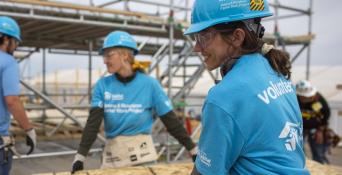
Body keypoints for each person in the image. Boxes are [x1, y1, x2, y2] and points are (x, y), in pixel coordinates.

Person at [183, 0, 309, 174]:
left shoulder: (224, 96)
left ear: (237, 37)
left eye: (204, 37)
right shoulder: (276, 73)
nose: (197, 47)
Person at [71, 31, 197, 173]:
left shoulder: (149, 84)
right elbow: (93, 124)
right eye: (104, 55)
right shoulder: (103, 85)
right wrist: (80, 157)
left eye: (109, 55)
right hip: (114, 157)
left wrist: (192, 149)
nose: (105, 60)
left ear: (125, 55)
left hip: (143, 157)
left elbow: (170, 120)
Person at [0, 16, 37, 175]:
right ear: (5, 39)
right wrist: (29, 129)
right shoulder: (7, 62)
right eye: (15, 42)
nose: (16, 46)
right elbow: (12, 101)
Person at [296, 80, 331, 164]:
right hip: (300, 129)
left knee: (318, 153)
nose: (304, 98)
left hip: (315, 129)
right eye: (302, 96)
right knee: (299, 152)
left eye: (306, 96)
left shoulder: (318, 99)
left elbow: (326, 114)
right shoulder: (294, 99)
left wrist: (320, 130)